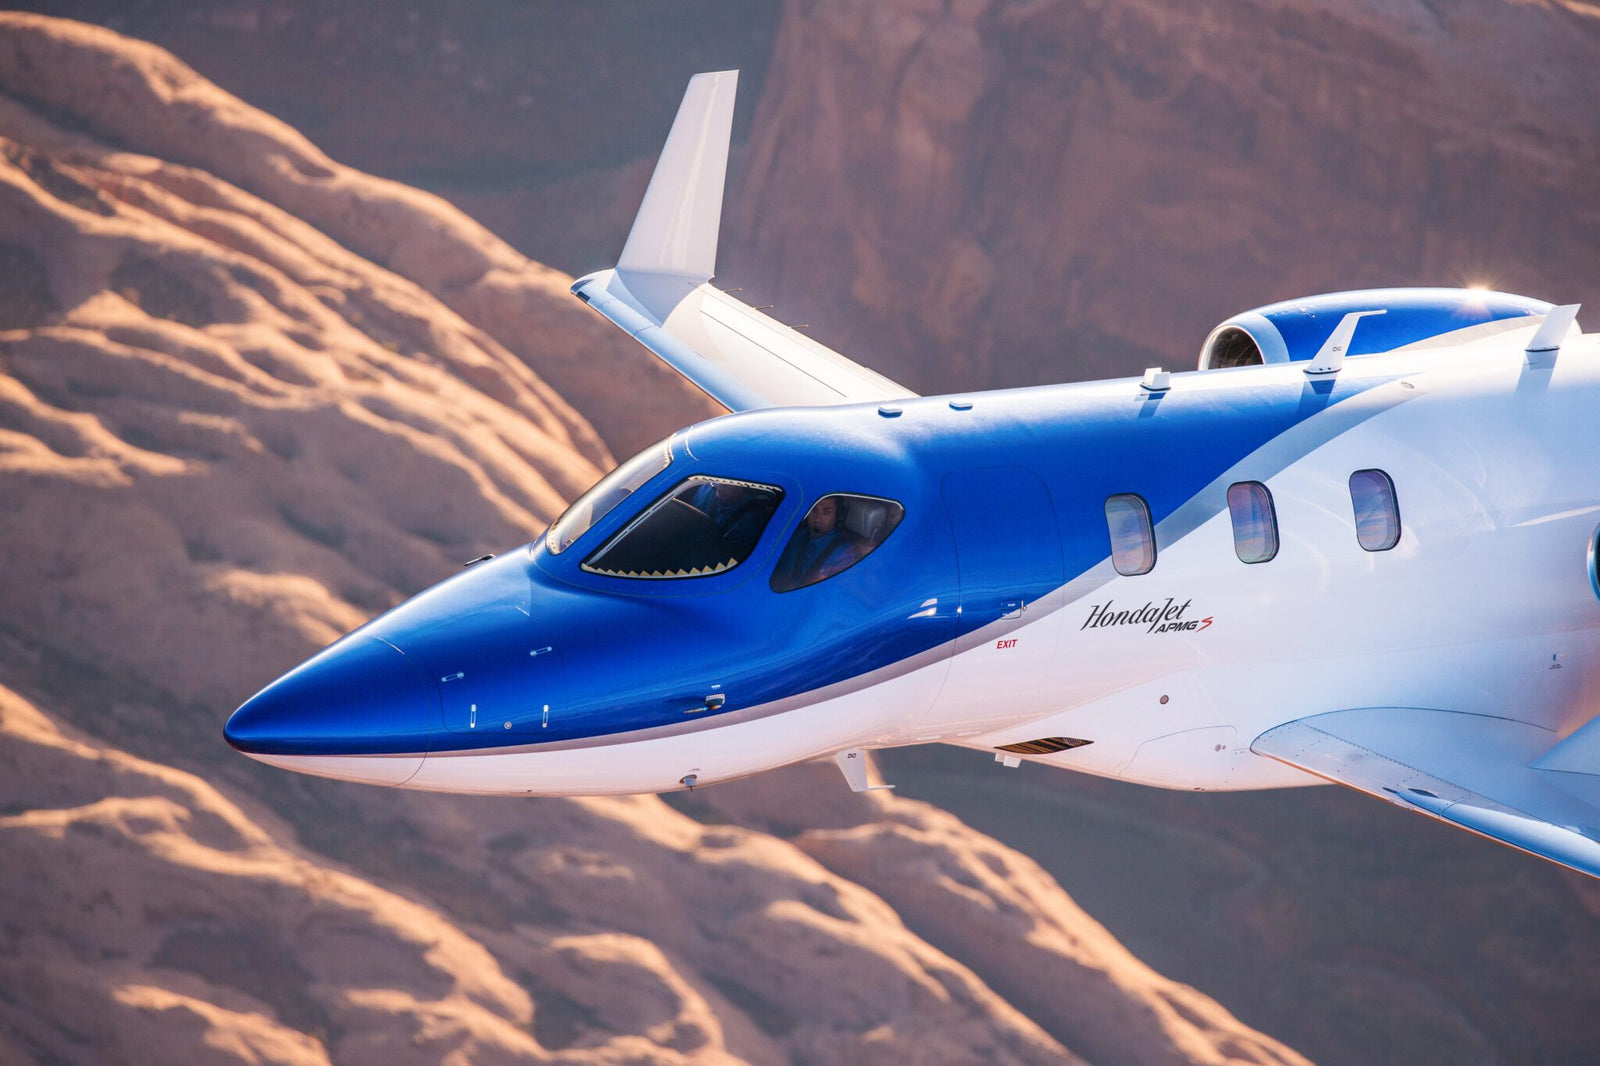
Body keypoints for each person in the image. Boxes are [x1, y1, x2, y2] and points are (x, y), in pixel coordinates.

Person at [775, 496, 861, 590]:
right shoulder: (796, 538)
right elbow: (779, 571)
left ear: (838, 517)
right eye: (814, 511)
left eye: (826, 512)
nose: (818, 518)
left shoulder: (844, 552)